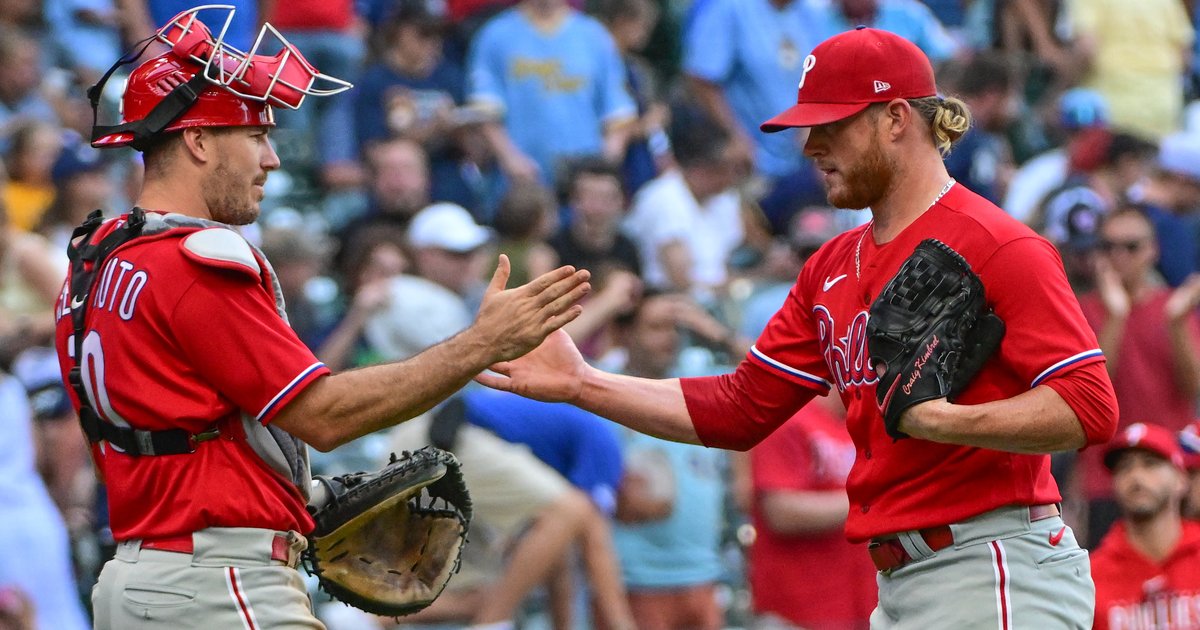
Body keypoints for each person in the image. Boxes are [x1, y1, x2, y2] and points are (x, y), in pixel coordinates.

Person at [479, 27, 1119, 628]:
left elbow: (1090, 406)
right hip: (900, 582)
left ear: (896, 117)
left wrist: (944, 419)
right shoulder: (833, 267)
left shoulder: (998, 244)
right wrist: (583, 383)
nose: (811, 146)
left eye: (831, 124)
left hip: (991, 560)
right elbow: (738, 408)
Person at [53, 7, 590, 629]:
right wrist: (481, 344)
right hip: (219, 584)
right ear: (197, 141)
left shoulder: (99, 256)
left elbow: (148, 439)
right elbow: (323, 414)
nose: (272, 159)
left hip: (137, 577)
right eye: (256, 136)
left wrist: (290, 498)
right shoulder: (196, 261)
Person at [1090, 422, 1200, 630]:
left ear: (1181, 479)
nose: (1136, 477)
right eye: (1124, 467)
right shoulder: (1091, 575)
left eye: (1150, 464)